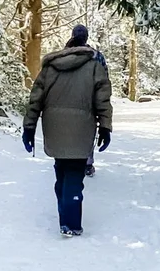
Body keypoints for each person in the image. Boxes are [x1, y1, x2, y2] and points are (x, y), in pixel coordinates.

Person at [23, 24, 112, 236]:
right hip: (82, 126)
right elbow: (103, 100)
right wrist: (105, 127)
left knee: (61, 170)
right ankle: (71, 224)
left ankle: (66, 215)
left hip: (54, 126)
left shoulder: (51, 67)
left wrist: (29, 127)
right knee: (74, 174)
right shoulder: (94, 65)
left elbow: (35, 99)